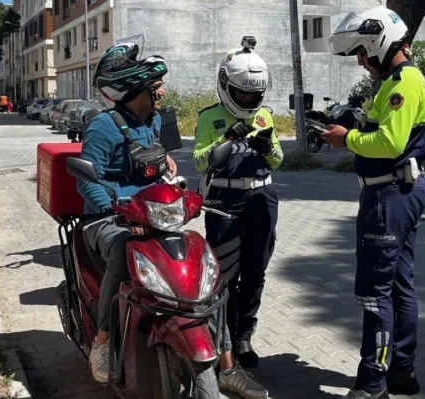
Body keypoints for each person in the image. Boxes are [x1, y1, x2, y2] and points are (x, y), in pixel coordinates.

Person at [322, 6, 425, 399]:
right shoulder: (394, 82)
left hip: (389, 196)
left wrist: (345, 139)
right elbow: (380, 129)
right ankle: (401, 371)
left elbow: (389, 143)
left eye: (363, 53)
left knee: (375, 292)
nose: (361, 62)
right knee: (400, 285)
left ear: (380, 43)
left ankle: (372, 383)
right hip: (396, 192)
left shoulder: (404, 83)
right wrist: (351, 124)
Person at [75, 35, 178, 384]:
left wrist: (165, 160)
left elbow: (153, 158)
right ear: (133, 91)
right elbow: (86, 181)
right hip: (107, 219)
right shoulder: (102, 127)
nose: (162, 92)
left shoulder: (154, 121)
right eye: (156, 87)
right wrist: (118, 212)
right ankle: (103, 340)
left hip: (150, 215)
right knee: (124, 250)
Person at [193, 36, 281, 399]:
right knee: (224, 277)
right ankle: (222, 341)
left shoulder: (264, 116)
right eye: (241, 95)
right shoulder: (210, 117)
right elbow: (200, 159)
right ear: (228, 87)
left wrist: (268, 147)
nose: (247, 101)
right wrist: (225, 139)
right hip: (224, 201)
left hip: (262, 197)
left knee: (256, 271)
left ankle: (243, 336)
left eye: (252, 95)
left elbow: (278, 160)